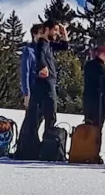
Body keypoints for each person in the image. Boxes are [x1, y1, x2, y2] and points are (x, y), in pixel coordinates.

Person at [17, 22, 69, 159]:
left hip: (42, 87)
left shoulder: (47, 46)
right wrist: (26, 93)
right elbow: (25, 73)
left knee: (42, 117)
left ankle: (44, 147)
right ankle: (29, 149)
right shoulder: (32, 49)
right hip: (37, 88)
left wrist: (64, 32)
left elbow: (64, 46)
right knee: (33, 119)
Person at [82, 42, 105, 128]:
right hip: (98, 101)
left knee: (88, 125)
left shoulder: (88, 65)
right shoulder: (102, 69)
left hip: (87, 99)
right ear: (103, 54)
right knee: (97, 128)